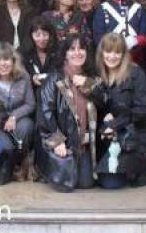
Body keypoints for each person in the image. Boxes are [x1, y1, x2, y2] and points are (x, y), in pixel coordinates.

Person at [36, 34, 97, 192]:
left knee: (86, 184)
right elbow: (45, 113)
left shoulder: (93, 77)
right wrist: (57, 141)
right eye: (72, 49)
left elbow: (105, 101)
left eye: (81, 48)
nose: (77, 52)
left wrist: (89, 86)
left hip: (84, 145)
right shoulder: (54, 78)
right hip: (64, 145)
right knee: (66, 185)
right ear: (64, 53)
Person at [91, 33, 146, 189]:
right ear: (101, 52)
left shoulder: (136, 73)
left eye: (117, 52)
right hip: (107, 135)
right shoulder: (97, 73)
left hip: (132, 134)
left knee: (113, 183)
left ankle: (142, 164)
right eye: (108, 51)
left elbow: (142, 110)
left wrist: (114, 124)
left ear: (124, 54)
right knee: (101, 181)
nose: (112, 56)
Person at [0, 42, 36, 184]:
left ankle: (22, 163)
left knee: (26, 127)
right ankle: (8, 166)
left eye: (6, 59)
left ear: (13, 61)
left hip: (18, 122)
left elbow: (30, 104)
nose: (3, 63)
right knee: (6, 146)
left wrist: (14, 116)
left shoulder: (23, 77)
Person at [21, 16, 59, 98]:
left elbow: (62, 73)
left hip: (54, 94)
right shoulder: (23, 52)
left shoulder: (57, 50)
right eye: (37, 35)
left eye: (45, 34)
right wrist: (32, 78)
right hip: (31, 95)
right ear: (31, 35)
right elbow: (20, 76)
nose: (42, 39)